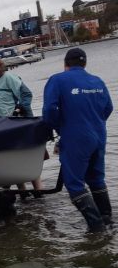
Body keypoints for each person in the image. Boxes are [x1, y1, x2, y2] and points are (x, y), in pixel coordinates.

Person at [42, 47, 113, 231]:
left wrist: (58, 127)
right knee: (96, 178)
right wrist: (93, 122)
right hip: (99, 135)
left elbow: (49, 110)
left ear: (65, 64)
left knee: (74, 183)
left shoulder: (57, 80)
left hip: (76, 137)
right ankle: (108, 221)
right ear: (85, 63)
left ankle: (97, 228)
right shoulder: (98, 81)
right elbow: (108, 108)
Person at [0, 52, 43, 195]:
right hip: (2, 126)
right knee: (13, 158)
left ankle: (38, 190)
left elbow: (26, 94)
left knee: (26, 155)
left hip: (18, 121)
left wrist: (20, 108)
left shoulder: (7, 78)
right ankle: (22, 192)